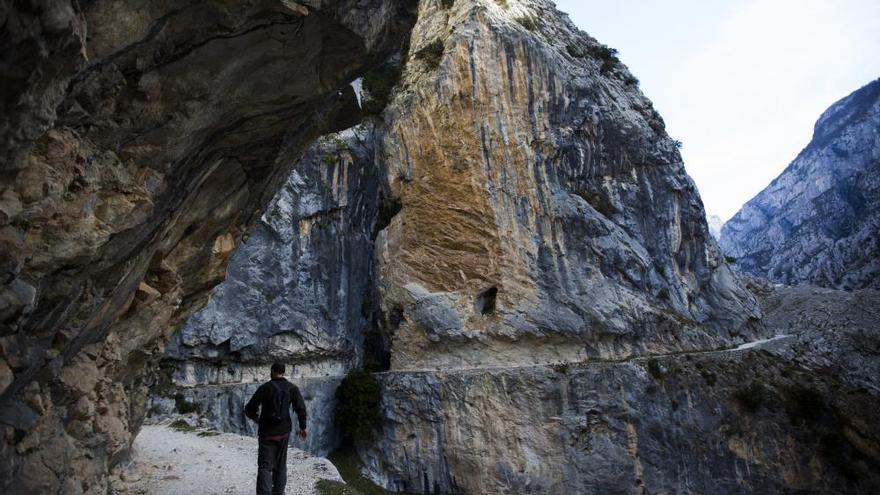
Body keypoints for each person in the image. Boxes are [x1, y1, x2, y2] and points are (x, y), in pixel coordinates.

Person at [245, 362, 307, 495]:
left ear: (272, 371)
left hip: (267, 434)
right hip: (284, 433)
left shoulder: (265, 388)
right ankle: (279, 492)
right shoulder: (292, 388)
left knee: (265, 467)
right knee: (280, 465)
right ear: (283, 372)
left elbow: (249, 409)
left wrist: (257, 419)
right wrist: (302, 427)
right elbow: (301, 409)